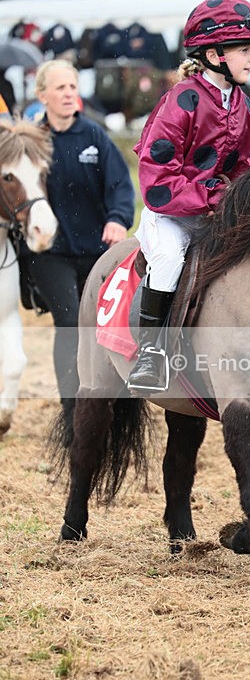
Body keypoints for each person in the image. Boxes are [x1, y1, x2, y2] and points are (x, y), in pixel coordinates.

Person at [127, 0, 250, 391]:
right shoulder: (180, 101)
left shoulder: (243, 105)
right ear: (215, 56)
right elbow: (157, 181)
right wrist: (216, 197)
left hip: (218, 215)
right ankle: (152, 354)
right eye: (245, 49)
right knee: (167, 259)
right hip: (171, 217)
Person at [23, 59, 135, 414]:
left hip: (98, 251)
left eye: (73, 86)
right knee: (71, 323)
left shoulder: (94, 137)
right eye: (60, 88)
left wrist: (118, 219)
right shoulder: (32, 141)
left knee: (104, 328)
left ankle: (110, 409)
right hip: (49, 253)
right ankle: (73, 416)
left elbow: (120, 186)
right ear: (42, 96)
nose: (69, 94)